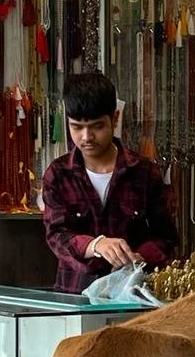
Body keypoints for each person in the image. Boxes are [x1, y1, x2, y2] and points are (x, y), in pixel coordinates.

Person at [41, 71, 178, 293]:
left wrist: (138, 257)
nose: (86, 137)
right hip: (74, 295)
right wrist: (96, 245)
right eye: (76, 127)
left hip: (132, 294)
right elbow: (57, 235)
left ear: (115, 119)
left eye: (97, 126)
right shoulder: (58, 175)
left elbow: (167, 237)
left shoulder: (145, 173)